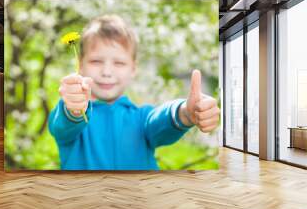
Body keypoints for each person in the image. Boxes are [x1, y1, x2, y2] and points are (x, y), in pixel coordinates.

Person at [48, 15, 220, 170]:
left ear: (133, 69)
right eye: (96, 61)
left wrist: (185, 112)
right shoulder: (73, 116)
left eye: (119, 63)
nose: (107, 72)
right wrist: (74, 109)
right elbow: (62, 126)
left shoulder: (141, 118)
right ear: (80, 65)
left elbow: (160, 120)